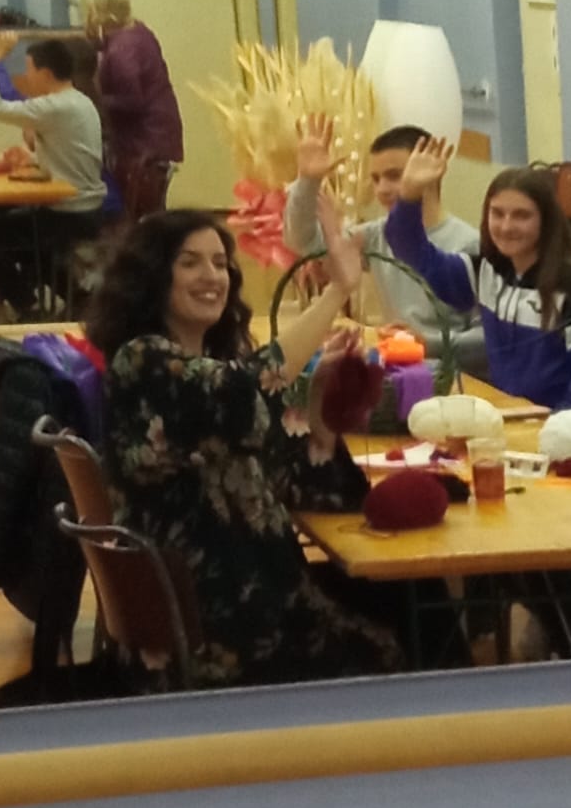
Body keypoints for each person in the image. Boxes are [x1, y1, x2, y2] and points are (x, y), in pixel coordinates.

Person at [86, 204, 404, 687]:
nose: (211, 276)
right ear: (152, 276)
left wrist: (317, 408)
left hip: (247, 593)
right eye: (189, 262)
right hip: (221, 618)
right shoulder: (144, 362)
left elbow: (290, 477)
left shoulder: (205, 365)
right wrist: (337, 290)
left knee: (404, 594)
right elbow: (243, 390)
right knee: (403, 625)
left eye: (220, 263)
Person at [385, 137, 571, 412]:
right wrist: (410, 194)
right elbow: (413, 252)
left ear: (546, 221)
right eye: (497, 213)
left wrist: (555, 428)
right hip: (506, 415)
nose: (506, 227)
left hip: (556, 424)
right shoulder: (486, 271)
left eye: (521, 216)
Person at [284, 116, 480, 358]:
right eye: (376, 179)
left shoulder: (469, 243)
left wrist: (426, 343)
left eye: (395, 176)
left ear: (433, 171)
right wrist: (307, 182)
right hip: (398, 366)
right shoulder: (377, 235)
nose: (382, 189)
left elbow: (489, 339)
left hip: (453, 374)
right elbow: (304, 243)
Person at [0, 31, 106, 314]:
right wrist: (32, 158)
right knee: (7, 232)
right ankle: (75, 297)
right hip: (85, 208)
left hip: (71, 212)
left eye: (29, 70)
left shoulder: (57, 105)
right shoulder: (78, 101)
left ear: (46, 73)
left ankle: (28, 306)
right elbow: (71, 153)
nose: (26, 78)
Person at [82, 0, 184, 218]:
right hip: (161, 136)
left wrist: (92, 102)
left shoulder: (122, 49)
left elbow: (132, 101)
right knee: (151, 211)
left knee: (137, 214)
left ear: (98, 9)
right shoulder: (138, 31)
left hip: (143, 145)